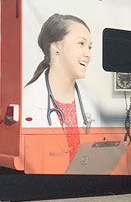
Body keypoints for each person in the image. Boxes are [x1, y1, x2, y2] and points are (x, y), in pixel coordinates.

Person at [22, 13, 97, 162]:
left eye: (89, 47)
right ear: (56, 47)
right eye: (81, 44)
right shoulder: (28, 100)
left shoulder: (91, 100)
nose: (88, 54)